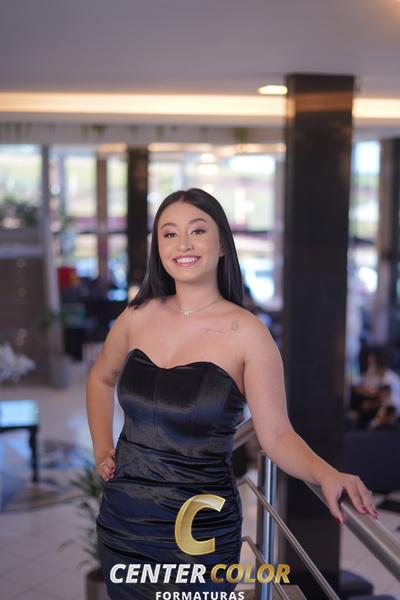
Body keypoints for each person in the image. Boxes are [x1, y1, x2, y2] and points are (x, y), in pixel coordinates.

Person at [86, 188, 378, 599]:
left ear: (222, 243)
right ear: (158, 247)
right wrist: (103, 448)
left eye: (197, 231)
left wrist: (327, 474)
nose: (183, 244)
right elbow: (100, 378)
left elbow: (276, 434)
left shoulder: (249, 335)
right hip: (125, 520)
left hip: (197, 531)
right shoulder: (136, 317)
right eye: (169, 233)